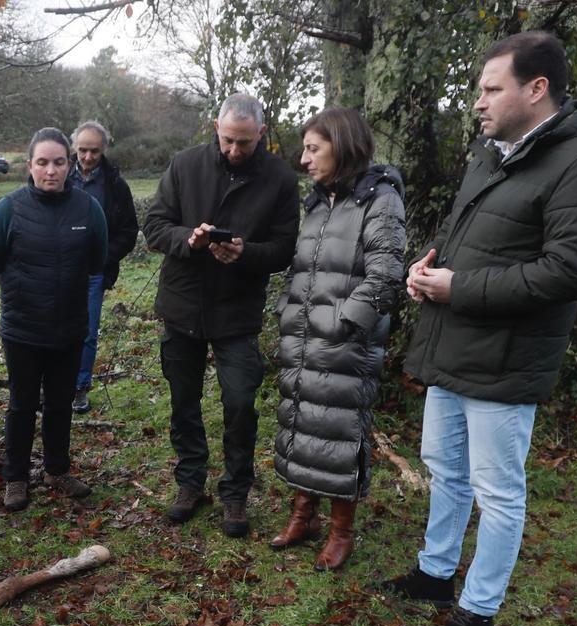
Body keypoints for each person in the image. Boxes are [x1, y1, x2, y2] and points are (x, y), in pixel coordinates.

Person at [383, 31, 577, 626]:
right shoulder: (494, 153)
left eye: (492, 88)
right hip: (454, 345)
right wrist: (427, 268)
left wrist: (460, 286)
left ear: (536, 88)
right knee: (445, 470)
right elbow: (470, 237)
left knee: (497, 490)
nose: (479, 101)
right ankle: (435, 574)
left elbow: (574, 269)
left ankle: (478, 611)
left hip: (508, 357)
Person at [143, 92, 299, 538]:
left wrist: (246, 252)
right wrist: (188, 242)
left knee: (240, 403)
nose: (234, 150)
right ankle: (190, 483)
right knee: (183, 401)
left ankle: (235, 493)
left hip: (237, 312)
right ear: (216, 127)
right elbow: (155, 225)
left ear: (262, 136)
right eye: (228, 140)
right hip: (182, 305)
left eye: (245, 143)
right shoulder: (185, 165)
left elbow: (286, 248)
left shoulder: (281, 180)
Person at [271, 108, 406, 571]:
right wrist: (290, 313)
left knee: (340, 433)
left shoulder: (380, 199)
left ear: (342, 145)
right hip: (304, 340)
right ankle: (303, 515)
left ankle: (341, 531)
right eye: (305, 149)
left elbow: (386, 273)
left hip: (344, 344)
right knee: (303, 425)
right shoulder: (319, 202)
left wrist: (344, 325)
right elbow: (303, 270)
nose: (304, 159)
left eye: (313, 148)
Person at [0, 127, 108, 512]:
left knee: (59, 403)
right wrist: (23, 287)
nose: (50, 170)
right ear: (30, 166)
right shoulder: (10, 209)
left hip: (70, 326)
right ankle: (15, 478)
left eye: (58, 162)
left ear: (70, 165)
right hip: (23, 328)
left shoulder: (88, 210)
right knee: (21, 404)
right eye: (42, 162)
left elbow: (97, 260)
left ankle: (56, 469)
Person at [68, 120, 139, 414]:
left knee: (87, 330)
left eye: (94, 151)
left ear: (104, 149)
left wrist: (104, 257)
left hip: (93, 273)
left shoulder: (115, 186)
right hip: (54, 268)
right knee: (50, 326)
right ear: (74, 148)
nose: (87, 157)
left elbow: (128, 231)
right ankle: (52, 384)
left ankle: (79, 388)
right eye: (83, 150)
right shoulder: (57, 174)